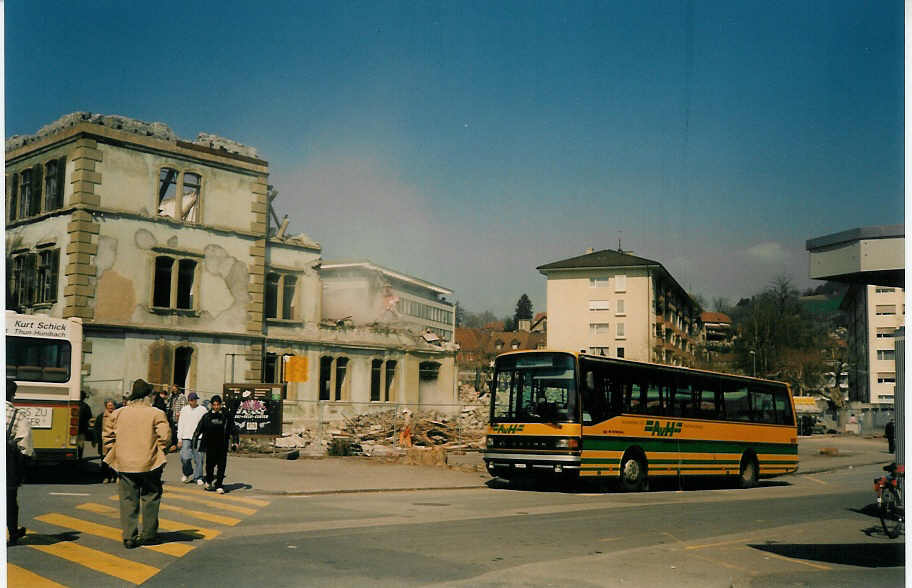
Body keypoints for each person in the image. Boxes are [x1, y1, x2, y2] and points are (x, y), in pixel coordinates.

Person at [103, 379, 171, 549]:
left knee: (127, 500)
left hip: (125, 463)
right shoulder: (156, 413)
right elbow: (165, 437)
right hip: (150, 463)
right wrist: (161, 452)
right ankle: (148, 534)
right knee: (151, 497)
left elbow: (107, 437)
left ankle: (129, 536)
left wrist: (115, 452)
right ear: (148, 395)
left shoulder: (118, 413)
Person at [192, 395, 238, 494]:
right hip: (210, 444)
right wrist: (195, 441)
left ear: (221, 405)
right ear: (212, 405)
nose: (216, 407)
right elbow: (199, 429)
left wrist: (235, 441)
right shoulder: (207, 416)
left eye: (218, 405)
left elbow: (233, 428)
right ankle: (208, 481)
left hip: (222, 444)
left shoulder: (226, 416)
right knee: (209, 466)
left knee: (222, 466)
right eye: (214, 405)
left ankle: (219, 484)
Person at [6, 379, 33, 545]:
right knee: (9, 499)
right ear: (12, 395)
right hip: (7, 461)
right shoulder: (19, 415)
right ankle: (13, 532)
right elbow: (25, 444)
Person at [177, 392, 207, 484]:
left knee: (199, 458)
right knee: (184, 457)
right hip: (186, 436)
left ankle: (198, 477)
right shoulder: (184, 410)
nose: (193, 402)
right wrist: (179, 438)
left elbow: (205, 424)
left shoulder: (202, 409)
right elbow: (180, 424)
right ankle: (187, 472)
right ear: (189, 400)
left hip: (198, 437)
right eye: (191, 400)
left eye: (194, 400)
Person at [94, 399, 118, 483]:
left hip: (116, 442)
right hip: (104, 442)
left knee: (115, 461)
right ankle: (106, 477)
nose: (110, 407)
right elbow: (96, 429)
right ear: (106, 407)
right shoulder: (101, 417)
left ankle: (115, 476)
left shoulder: (118, 416)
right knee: (104, 461)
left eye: (112, 405)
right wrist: (95, 440)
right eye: (109, 406)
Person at [77, 391, 92, 460]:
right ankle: (79, 458)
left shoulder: (73, 405)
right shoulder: (86, 406)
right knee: (80, 445)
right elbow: (89, 417)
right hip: (81, 430)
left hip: (71, 429)